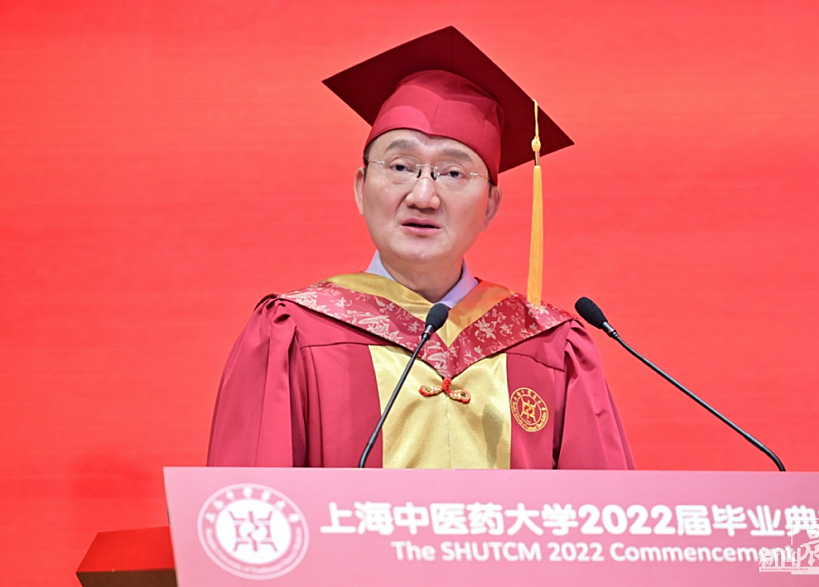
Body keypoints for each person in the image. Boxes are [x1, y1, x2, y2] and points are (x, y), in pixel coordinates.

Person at [207, 27, 634, 470]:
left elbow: (602, 508)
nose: (423, 196)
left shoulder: (551, 346)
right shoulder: (294, 332)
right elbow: (252, 502)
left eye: (453, 173)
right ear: (360, 188)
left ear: (490, 206)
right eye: (400, 167)